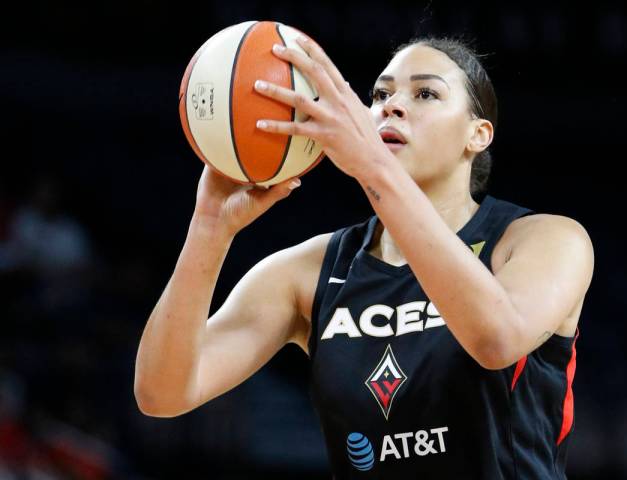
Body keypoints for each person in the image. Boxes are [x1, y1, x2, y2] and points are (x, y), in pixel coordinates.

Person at [134, 34, 594, 479]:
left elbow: (496, 340)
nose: (392, 106)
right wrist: (209, 229)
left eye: (426, 94)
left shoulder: (545, 240)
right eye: (380, 94)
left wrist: (372, 164)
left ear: (477, 135)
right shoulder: (308, 273)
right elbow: (162, 392)